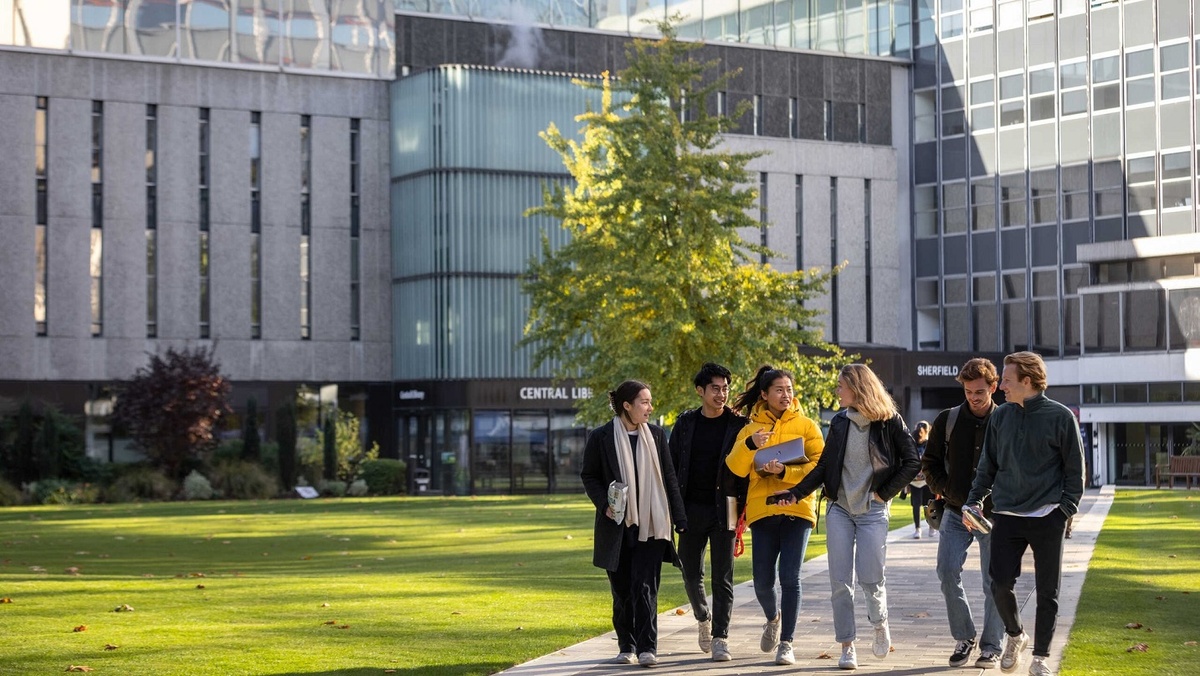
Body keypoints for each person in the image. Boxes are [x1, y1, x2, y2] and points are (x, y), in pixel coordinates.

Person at [778, 363, 920, 671]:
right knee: (840, 582)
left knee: (871, 579)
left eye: (841, 386)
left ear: (857, 388)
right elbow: (824, 466)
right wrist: (797, 492)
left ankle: (880, 623)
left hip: (872, 511)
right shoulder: (840, 422)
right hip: (839, 509)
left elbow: (912, 462)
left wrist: (883, 494)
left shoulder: (888, 421)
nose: (837, 392)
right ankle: (847, 646)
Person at [964, 352, 1085, 676]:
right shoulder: (1000, 418)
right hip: (1006, 515)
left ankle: (1041, 658)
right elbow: (987, 466)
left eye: (1006, 379)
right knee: (999, 584)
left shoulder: (1060, 417)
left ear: (1027, 381)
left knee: (1049, 591)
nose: (1000, 384)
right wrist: (974, 501)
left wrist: (1064, 510)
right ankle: (1016, 635)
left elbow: (1075, 472)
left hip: (1048, 516)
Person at [581, 380, 688, 668]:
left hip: (652, 524)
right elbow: (589, 475)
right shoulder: (600, 437)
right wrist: (604, 504)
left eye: (650, 402)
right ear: (627, 406)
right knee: (623, 590)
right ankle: (626, 644)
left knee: (646, 587)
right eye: (644, 402)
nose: (650, 408)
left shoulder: (656, 435)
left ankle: (647, 647)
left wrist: (679, 519)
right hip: (617, 524)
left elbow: (669, 478)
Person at [724, 366, 825, 666]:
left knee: (790, 577)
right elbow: (735, 468)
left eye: (789, 390)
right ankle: (773, 617)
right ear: (765, 394)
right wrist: (751, 445)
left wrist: (785, 470)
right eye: (779, 390)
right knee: (762, 582)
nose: (785, 395)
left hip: (798, 508)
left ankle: (787, 643)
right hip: (763, 510)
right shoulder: (749, 429)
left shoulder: (808, 426)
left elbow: (821, 466)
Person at [922, 357, 1005, 669]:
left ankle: (991, 646)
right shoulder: (948, 419)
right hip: (956, 512)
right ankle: (964, 636)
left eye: (980, 392)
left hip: (994, 515)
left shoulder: (1006, 419)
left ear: (994, 387)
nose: (973, 397)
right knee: (946, 571)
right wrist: (946, 490)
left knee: (993, 582)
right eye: (969, 391)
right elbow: (928, 462)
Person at [669, 363, 748, 662]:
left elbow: (747, 471)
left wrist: (745, 509)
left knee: (723, 577)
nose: (722, 393)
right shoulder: (686, 424)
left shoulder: (739, 425)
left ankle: (720, 638)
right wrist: (674, 508)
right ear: (700, 391)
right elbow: (672, 466)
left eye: (725, 388)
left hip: (726, 507)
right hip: (690, 509)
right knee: (689, 572)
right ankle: (703, 617)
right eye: (715, 388)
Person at [900, 421, 933, 539]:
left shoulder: (929, 444)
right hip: (914, 481)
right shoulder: (911, 444)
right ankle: (918, 528)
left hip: (927, 480)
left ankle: (931, 526)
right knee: (916, 505)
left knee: (928, 504)